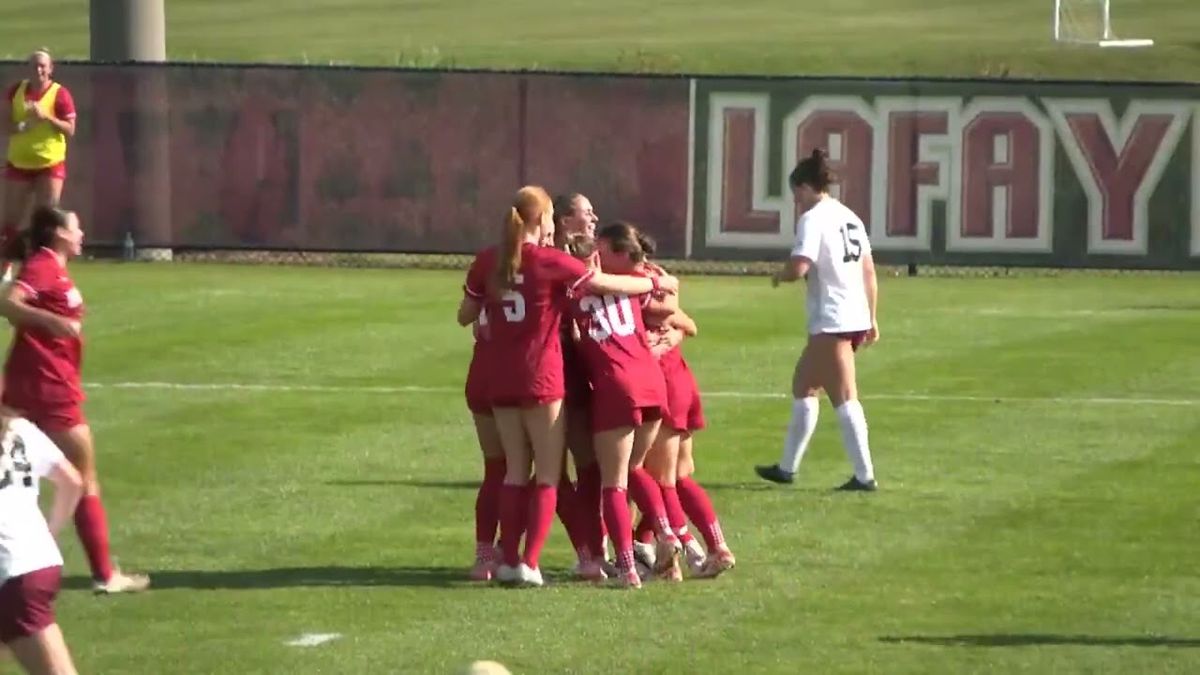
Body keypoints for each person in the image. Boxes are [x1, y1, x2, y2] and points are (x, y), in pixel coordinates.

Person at [457, 187, 676, 587]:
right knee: (549, 475)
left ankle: (495, 559)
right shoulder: (552, 261)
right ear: (546, 220)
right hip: (543, 376)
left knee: (508, 471)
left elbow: (466, 315)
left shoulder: (488, 260)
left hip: (495, 375)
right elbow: (602, 286)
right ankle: (532, 561)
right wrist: (648, 284)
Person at [0, 207, 150, 593]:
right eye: (76, 226)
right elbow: (8, 303)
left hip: (33, 383)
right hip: (50, 388)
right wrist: (53, 323)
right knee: (85, 478)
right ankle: (105, 575)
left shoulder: (51, 266)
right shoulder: (43, 266)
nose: (82, 232)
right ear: (59, 234)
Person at [565, 225, 685, 587]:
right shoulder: (624, 283)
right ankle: (666, 533)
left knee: (614, 483)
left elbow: (569, 334)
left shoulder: (570, 292)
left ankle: (628, 568)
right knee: (635, 470)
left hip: (616, 385)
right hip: (651, 381)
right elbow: (668, 307)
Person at [755, 149, 880, 491]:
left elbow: (800, 266)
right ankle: (786, 467)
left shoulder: (813, 218)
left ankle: (865, 475)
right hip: (850, 314)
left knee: (844, 396)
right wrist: (871, 317)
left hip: (832, 317)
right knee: (804, 386)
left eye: (797, 192)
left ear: (808, 187)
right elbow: (868, 271)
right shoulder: (850, 216)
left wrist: (780, 275)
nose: (796, 200)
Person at [633, 234, 736, 578]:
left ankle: (682, 554)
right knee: (678, 476)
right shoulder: (657, 278)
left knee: (660, 480)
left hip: (660, 384)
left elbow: (682, 323)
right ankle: (715, 546)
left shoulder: (634, 283)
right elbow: (689, 324)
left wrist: (660, 340)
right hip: (681, 381)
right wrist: (672, 334)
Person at [0, 407, 84, 675]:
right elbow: (72, 481)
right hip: (36, 561)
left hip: (13, 576)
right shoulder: (20, 428)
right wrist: (50, 532)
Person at [2, 50, 76, 283]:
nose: (38, 70)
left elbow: (70, 129)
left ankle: (43, 272)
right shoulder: (16, 91)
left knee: (47, 222)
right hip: (19, 163)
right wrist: (21, 126)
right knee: (9, 222)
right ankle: (5, 267)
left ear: (50, 68)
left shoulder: (60, 94)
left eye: (43, 66)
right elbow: (4, 122)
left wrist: (47, 117)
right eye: (34, 66)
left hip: (49, 164)